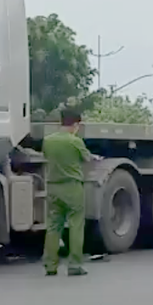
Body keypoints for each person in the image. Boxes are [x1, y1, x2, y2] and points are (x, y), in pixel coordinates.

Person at [41, 108, 90, 276]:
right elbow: (87, 158)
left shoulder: (48, 141)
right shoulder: (75, 141)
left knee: (54, 226)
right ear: (76, 124)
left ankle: (50, 265)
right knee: (76, 225)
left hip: (53, 187)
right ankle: (75, 265)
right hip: (72, 187)